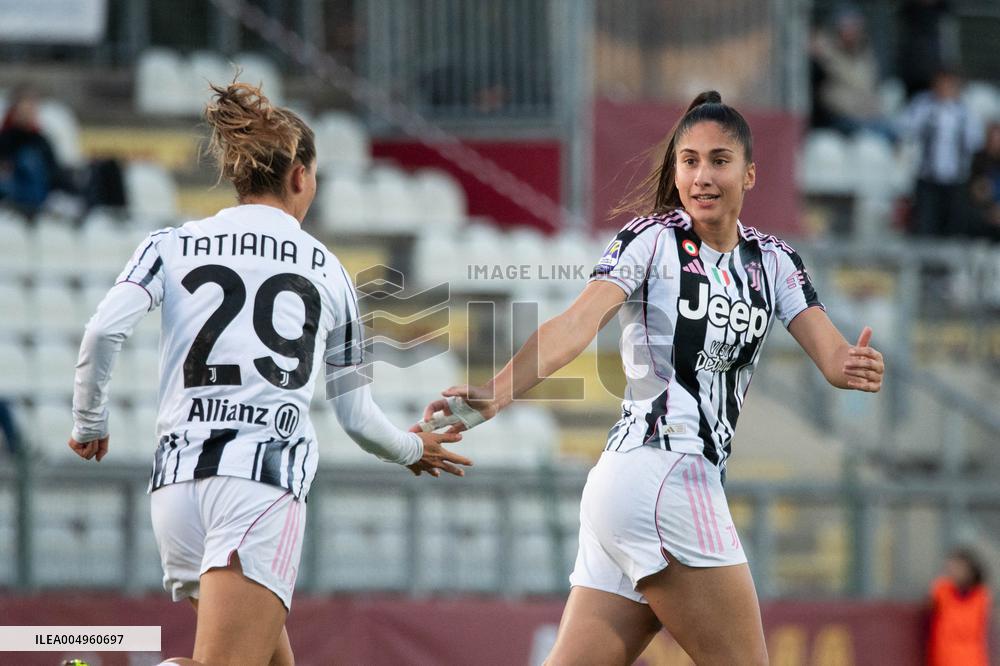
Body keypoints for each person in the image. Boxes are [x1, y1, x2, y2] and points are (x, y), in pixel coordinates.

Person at [419, 91, 885, 665]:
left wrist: (855, 366)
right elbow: (576, 324)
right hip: (667, 476)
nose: (702, 175)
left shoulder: (774, 261)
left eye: (719, 160)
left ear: (750, 174)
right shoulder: (652, 238)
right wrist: (496, 392)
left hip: (629, 490)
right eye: (688, 160)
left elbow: (834, 357)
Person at [68, 81, 471, 666]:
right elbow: (356, 417)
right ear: (301, 177)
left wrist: (88, 420)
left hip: (177, 485)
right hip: (259, 482)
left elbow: (104, 330)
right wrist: (413, 449)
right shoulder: (330, 272)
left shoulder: (173, 243)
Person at [900, 68, 984, 237]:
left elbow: (976, 141)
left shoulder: (964, 111)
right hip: (928, 177)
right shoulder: (923, 105)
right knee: (926, 225)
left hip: (956, 179)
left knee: (953, 226)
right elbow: (906, 129)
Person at [809, 6, 895, 142]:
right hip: (840, 118)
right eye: (847, 27)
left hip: (868, 115)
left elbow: (869, 88)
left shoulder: (866, 55)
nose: (851, 32)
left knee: (893, 133)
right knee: (871, 136)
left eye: (855, 27)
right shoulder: (827, 52)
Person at [0, 85, 68, 215]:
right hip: (12, 190)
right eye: (25, 108)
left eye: (32, 108)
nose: (29, 112)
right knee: (27, 158)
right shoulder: (5, 139)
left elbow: (54, 170)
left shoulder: (41, 141)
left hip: (39, 192)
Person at [927, 548, 991, 666]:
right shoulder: (942, 590)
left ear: (970, 571)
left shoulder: (980, 597)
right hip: (944, 658)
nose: (953, 572)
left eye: (958, 568)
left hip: (971, 660)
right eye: (951, 568)